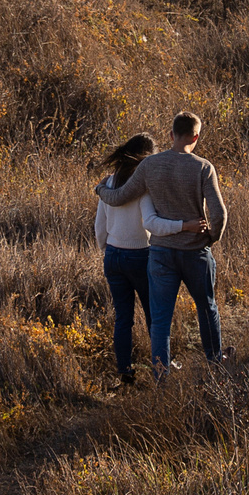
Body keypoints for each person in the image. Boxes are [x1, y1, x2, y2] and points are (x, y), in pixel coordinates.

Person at [96, 111, 228, 369]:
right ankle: (215, 362)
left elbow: (119, 197)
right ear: (196, 137)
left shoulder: (149, 166)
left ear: (171, 134)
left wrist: (101, 189)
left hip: (160, 254)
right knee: (207, 307)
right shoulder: (203, 167)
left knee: (159, 320)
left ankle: (160, 376)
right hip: (194, 250)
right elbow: (219, 213)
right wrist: (210, 238)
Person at [91, 133, 159, 383]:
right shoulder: (144, 184)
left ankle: (125, 372)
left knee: (123, 318)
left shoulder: (109, 183)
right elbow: (151, 222)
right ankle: (161, 368)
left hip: (113, 254)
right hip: (141, 253)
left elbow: (101, 225)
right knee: (155, 315)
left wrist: (107, 250)